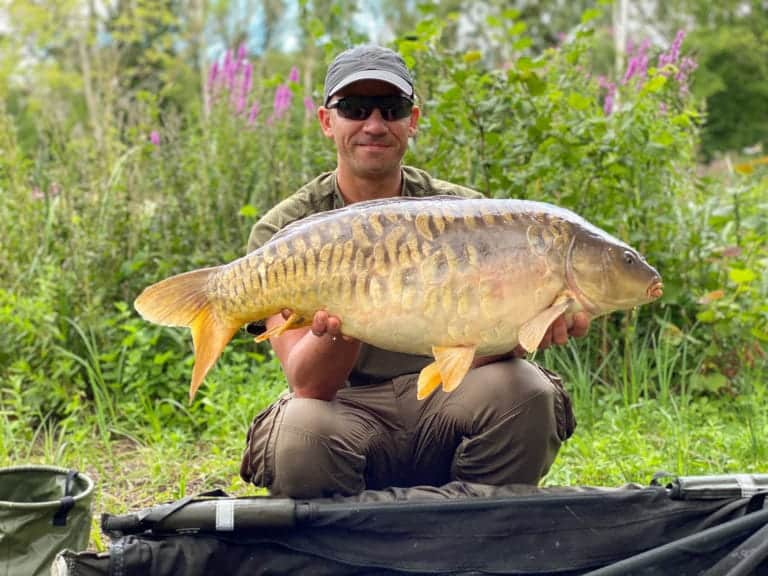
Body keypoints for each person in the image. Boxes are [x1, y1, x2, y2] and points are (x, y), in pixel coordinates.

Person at [239, 45, 589, 498]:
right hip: (345, 410)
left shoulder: (474, 217)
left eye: (393, 108)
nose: (374, 124)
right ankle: (348, 552)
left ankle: (474, 535)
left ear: (413, 119)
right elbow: (308, 384)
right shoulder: (285, 233)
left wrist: (524, 330)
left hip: (446, 403)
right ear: (327, 121)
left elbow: (477, 357)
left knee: (526, 392)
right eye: (355, 109)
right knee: (299, 433)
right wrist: (341, 323)